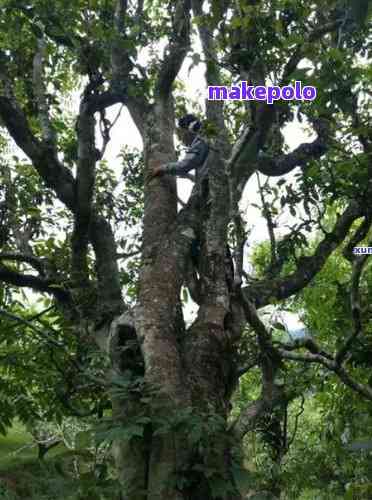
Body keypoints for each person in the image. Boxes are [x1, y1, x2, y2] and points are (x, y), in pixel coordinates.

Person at [149, 114, 209, 183]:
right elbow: (203, 177)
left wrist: (161, 168)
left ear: (190, 128)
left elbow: (183, 166)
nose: (181, 138)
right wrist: (188, 176)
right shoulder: (206, 140)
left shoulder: (200, 140)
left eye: (182, 132)